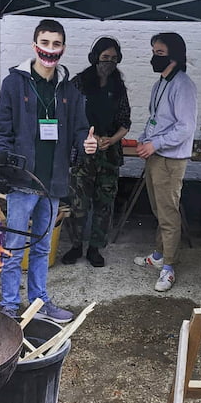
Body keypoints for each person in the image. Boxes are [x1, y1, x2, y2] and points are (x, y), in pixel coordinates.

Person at [0, 19, 97, 323]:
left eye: (56, 44)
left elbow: (80, 130)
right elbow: (2, 131)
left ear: (63, 48)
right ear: (34, 45)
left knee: (41, 247)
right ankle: (9, 306)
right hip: (22, 181)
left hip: (52, 182)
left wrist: (87, 144)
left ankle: (39, 302)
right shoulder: (14, 84)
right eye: (45, 43)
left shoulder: (69, 90)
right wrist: (7, 170)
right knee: (14, 247)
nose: (49, 50)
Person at [134, 32, 197, 292]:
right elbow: (156, 119)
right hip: (156, 156)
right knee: (159, 209)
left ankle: (169, 267)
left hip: (170, 160)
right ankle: (160, 255)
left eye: (159, 53)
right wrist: (142, 138)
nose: (153, 57)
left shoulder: (183, 85)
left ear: (174, 55)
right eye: (153, 51)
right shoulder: (160, 83)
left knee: (168, 213)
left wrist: (155, 143)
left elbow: (185, 127)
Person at [62, 36, 131, 268]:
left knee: (104, 203)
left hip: (109, 153)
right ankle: (75, 246)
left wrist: (111, 140)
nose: (109, 63)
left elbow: (125, 122)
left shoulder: (118, 87)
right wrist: (86, 138)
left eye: (113, 59)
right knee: (78, 202)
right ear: (94, 58)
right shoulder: (78, 84)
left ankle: (95, 248)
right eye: (104, 58)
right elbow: (67, 117)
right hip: (82, 153)